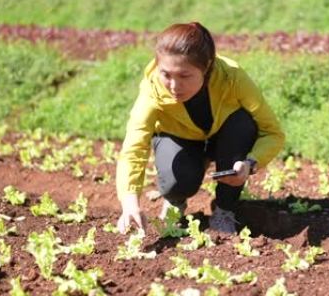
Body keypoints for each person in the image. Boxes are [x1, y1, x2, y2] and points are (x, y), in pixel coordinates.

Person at [116, 22, 285, 235]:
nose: (174, 86)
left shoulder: (232, 77)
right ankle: (175, 201)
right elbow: (134, 147)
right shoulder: (152, 90)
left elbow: (273, 132)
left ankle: (225, 209)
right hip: (180, 138)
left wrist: (250, 164)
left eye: (184, 76)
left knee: (243, 122)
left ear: (206, 68)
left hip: (224, 138)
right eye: (166, 74)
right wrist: (130, 202)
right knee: (178, 183)